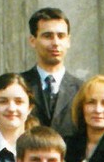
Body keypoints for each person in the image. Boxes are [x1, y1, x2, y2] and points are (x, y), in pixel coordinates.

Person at [20, 7, 86, 136]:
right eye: (47, 36)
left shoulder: (83, 90)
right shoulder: (19, 86)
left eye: (61, 36)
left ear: (68, 41)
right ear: (33, 41)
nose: (55, 43)